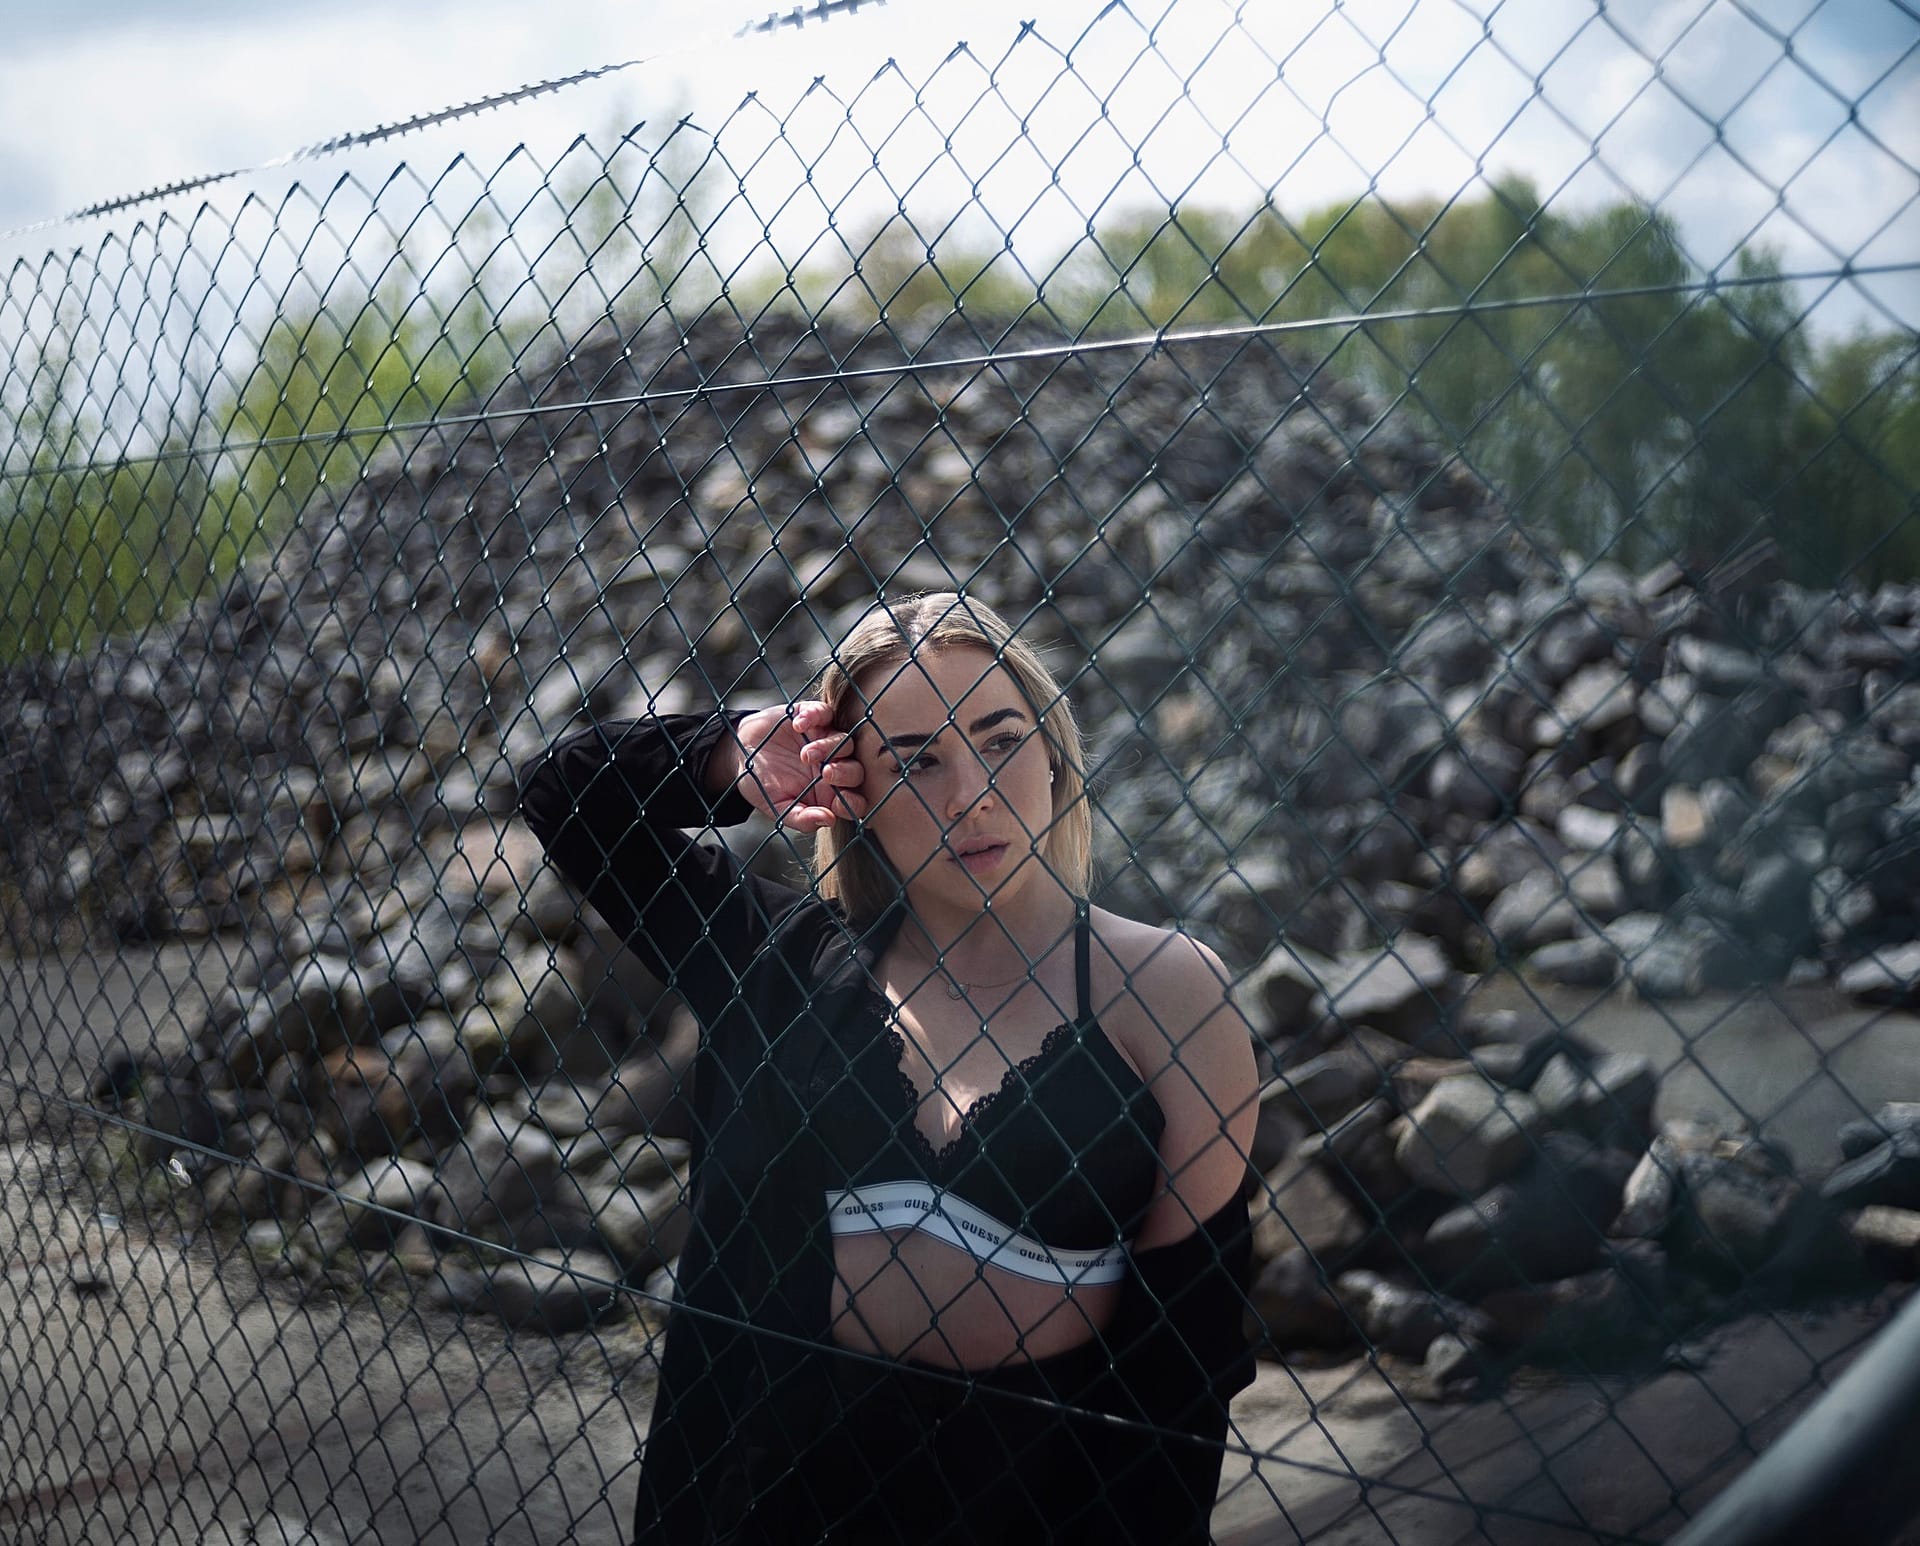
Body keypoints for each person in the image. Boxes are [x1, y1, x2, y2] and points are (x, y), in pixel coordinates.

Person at [520, 591, 1259, 1545]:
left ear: (1054, 751)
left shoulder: (1168, 992)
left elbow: (1189, 1351)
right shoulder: (779, 960)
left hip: (1046, 1500)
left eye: (1001, 740)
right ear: (853, 786)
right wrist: (731, 755)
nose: (971, 796)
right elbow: (560, 792)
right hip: (778, 1492)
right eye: (917, 760)